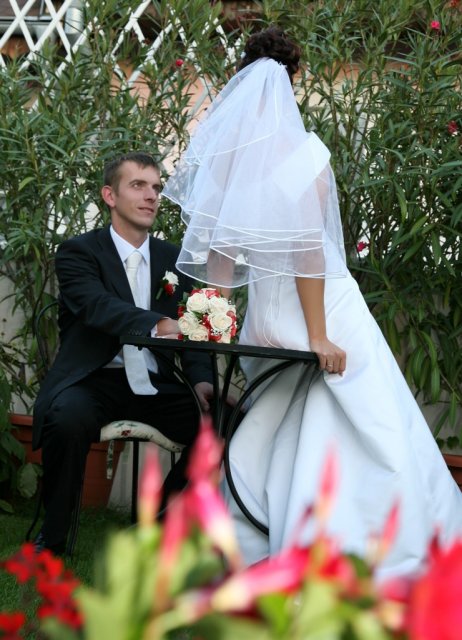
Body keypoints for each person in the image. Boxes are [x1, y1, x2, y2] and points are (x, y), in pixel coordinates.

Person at [162, 27, 462, 578]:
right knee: (371, 421)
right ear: (294, 79)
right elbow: (308, 254)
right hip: (319, 309)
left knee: (277, 419)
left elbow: (220, 261)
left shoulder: (229, 162)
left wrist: (215, 318)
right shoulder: (305, 154)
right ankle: (369, 542)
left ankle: (259, 534)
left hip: (265, 319)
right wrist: (320, 334)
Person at [32, 151, 214, 554]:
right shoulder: (79, 252)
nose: (151, 196)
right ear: (109, 196)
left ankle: (157, 525)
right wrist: (157, 323)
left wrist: (202, 380)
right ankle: (54, 539)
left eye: (156, 188)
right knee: (66, 419)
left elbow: (193, 325)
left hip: (156, 383)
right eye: (138, 185)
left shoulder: (174, 259)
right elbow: (97, 306)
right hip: (94, 379)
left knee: (223, 420)